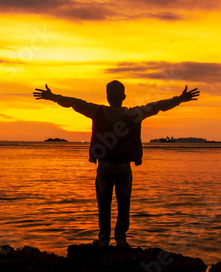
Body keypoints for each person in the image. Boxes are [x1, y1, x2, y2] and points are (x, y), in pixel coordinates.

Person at [32, 80, 200, 248]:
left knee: (104, 204)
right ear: (124, 97)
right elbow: (158, 106)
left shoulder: (97, 111)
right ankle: (120, 239)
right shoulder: (135, 114)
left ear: (107, 97)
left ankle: (104, 239)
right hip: (123, 167)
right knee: (124, 204)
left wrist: (52, 97)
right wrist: (180, 99)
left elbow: (74, 103)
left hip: (104, 166)